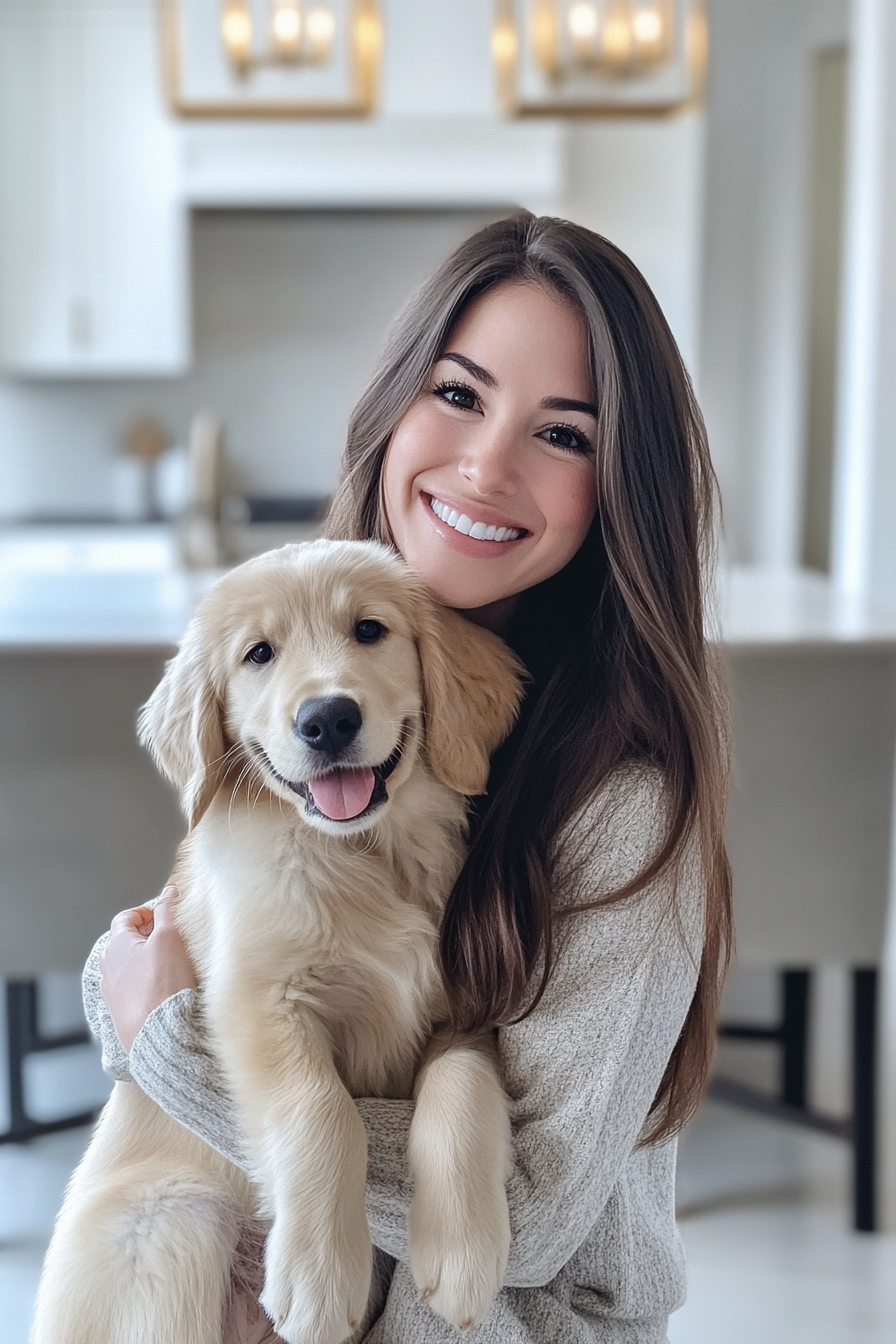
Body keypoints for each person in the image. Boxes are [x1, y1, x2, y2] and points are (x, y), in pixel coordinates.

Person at [85, 212, 732, 1343]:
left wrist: (170, 1042)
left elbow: (523, 1211)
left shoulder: (623, 804)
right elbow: (158, 965)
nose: (486, 465)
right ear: (392, 406)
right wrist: (141, 1001)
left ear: (615, 480)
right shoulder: (300, 689)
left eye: (565, 435)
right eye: (459, 394)